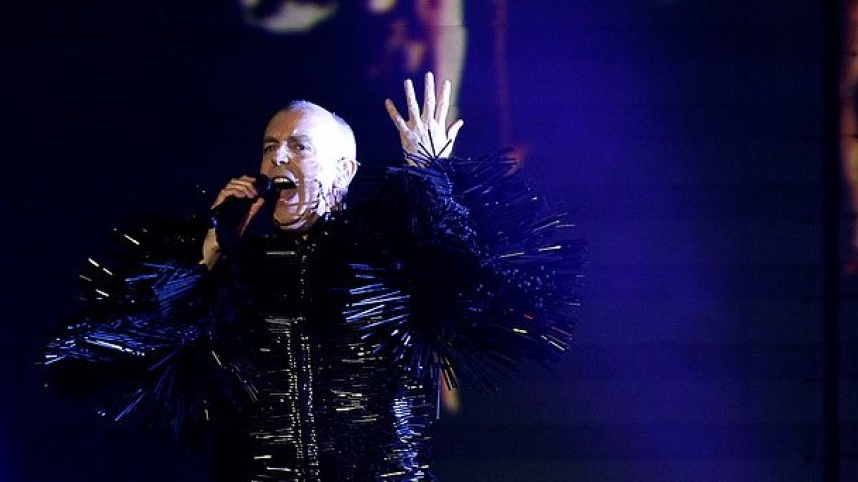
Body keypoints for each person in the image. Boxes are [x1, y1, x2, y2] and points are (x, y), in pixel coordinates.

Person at [44, 73, 583, 481]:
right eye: (268, 147)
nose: (276, 158)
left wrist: (433, 178)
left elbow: (490, 296)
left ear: (345, 171)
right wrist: (207, 252)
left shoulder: (389, 261)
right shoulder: (230, 271)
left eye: (298, 146)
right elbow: (94, 355)